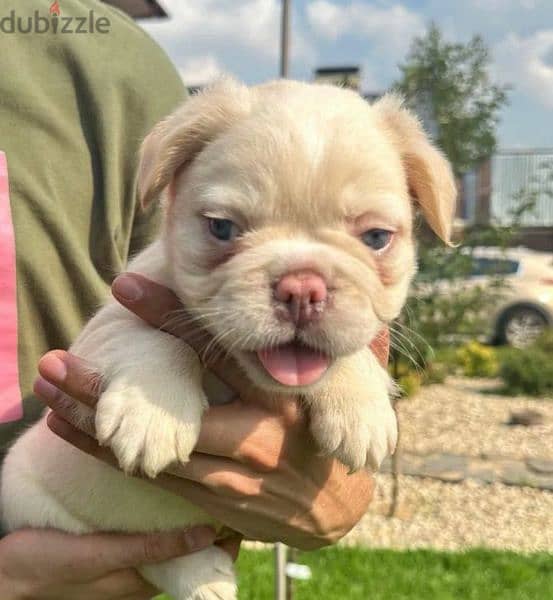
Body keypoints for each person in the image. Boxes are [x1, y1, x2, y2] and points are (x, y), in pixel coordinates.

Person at [0, 1, 380, 597]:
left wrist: (353, 392)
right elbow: (127, 325)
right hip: (45, 508)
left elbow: (330, 483)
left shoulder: (109, 56)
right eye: (227, 228)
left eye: (373, 238)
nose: (302, 289)